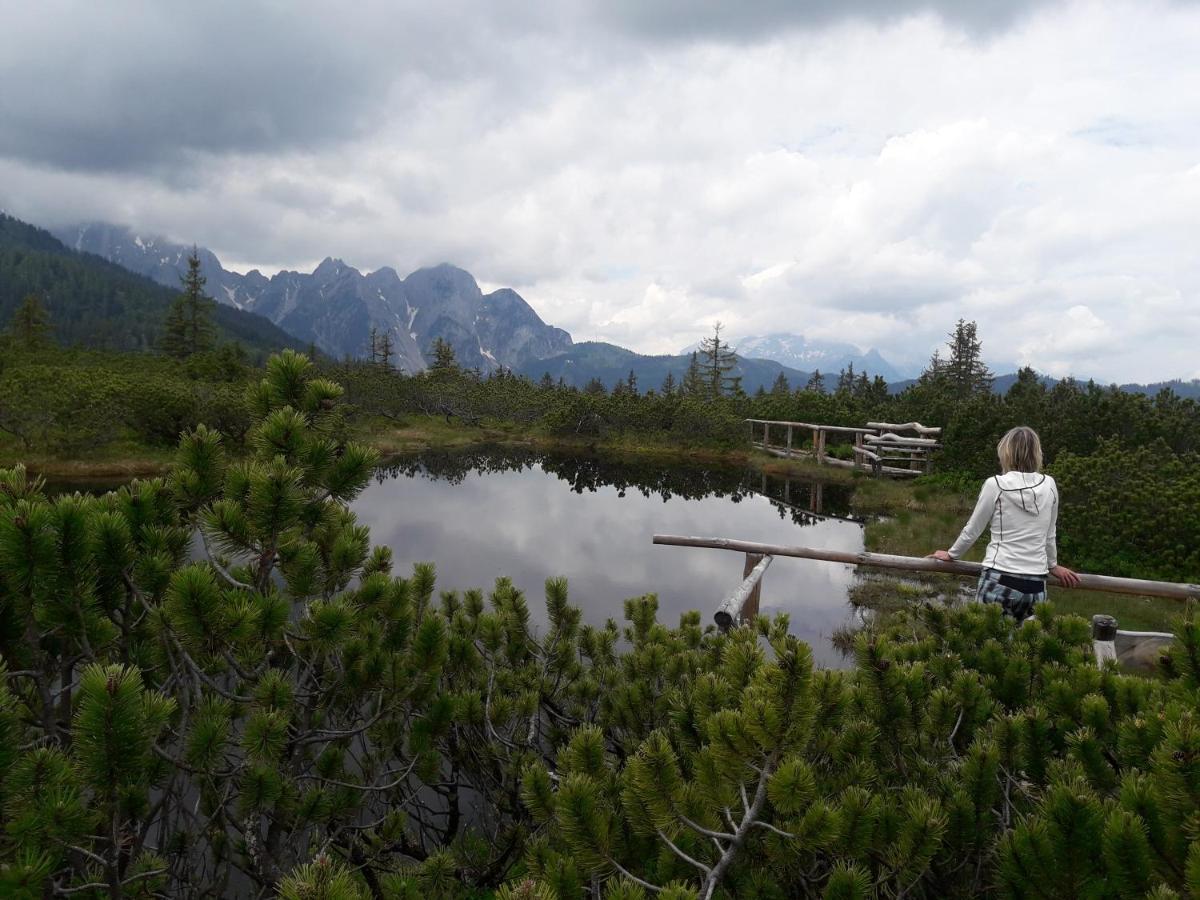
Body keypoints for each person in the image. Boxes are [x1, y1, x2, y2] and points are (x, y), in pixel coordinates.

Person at [930, 426, 1080, 621]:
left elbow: (973, 529)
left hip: (999, 579)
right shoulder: (1049, 485)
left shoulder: (996, 485)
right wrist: (1053, 565)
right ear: (1037, 454)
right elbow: (1049, 534)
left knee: (986, 644)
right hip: (1036, 586)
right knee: (1027, 649)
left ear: (1006, 453)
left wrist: (951, 554)